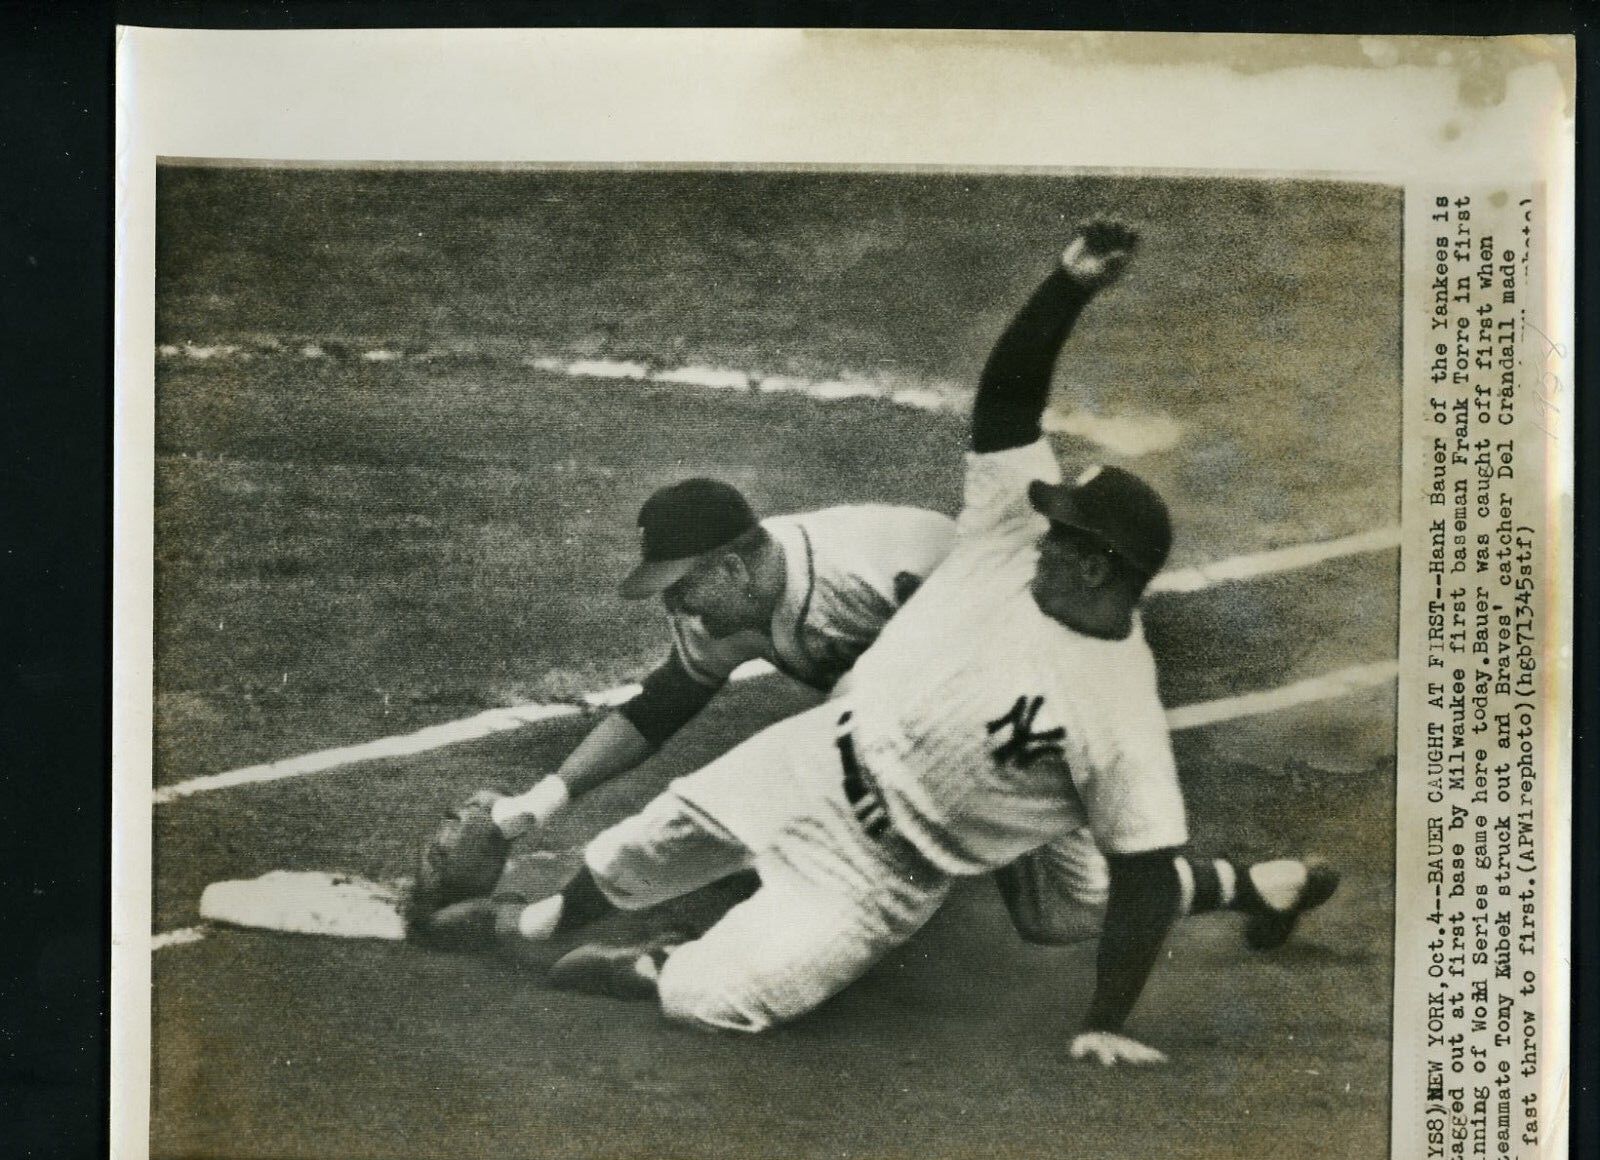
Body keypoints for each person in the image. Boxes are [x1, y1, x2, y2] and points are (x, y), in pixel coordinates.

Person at [412, 220, 1338, 1066]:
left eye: (1063, 532)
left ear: (1097, 567)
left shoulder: (1095, 691)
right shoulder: (1006, 543)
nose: (1039, 530)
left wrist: (1107, 1020)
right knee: (641, 844)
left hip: (905, 853)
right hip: (822, 756)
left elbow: (1140, 876)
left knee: (1057, 907)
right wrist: (1066, 286)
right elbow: (1006, 410)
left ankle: (658, 964)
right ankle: (530, 926)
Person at [476, 476, 955, 838]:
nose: (673, 606)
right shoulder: (716, 611)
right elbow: (659, 707)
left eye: (681, 586)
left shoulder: (876, 573)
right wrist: (538, 804)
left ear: (732, 569)